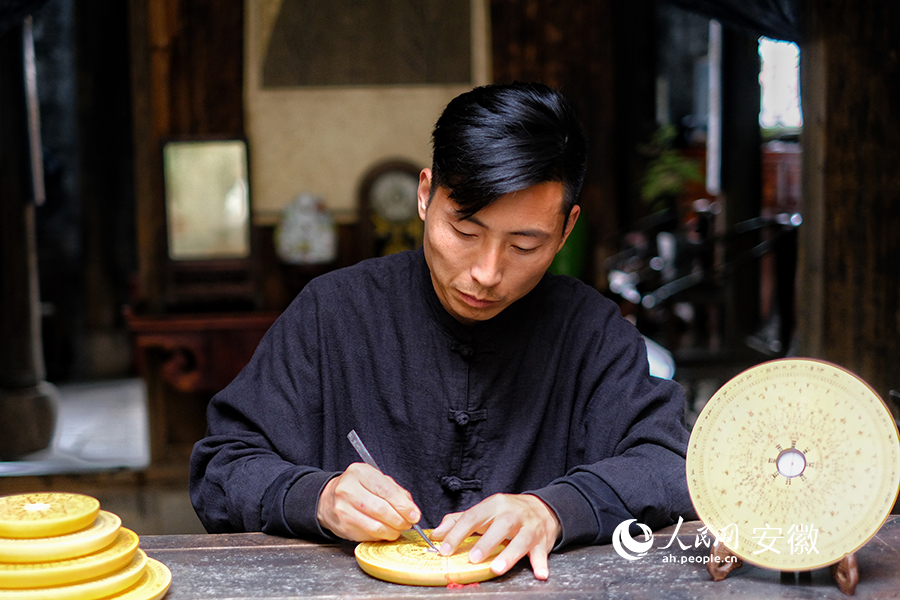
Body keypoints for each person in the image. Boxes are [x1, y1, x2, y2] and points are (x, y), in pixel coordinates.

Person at [190, 82, 694, 580]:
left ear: (565, 230)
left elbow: (674, 464)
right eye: (466, 232)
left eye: (523, 246)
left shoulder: (589, 333)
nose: (488, 273)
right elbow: (222, 467)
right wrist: (316, 499)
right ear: (426, 195)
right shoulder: (332, 313)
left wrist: (556, 509)